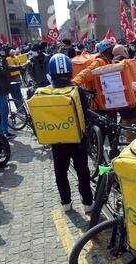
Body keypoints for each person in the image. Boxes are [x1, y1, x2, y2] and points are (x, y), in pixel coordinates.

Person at [47, 54, 93, 213]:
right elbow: (86, 114)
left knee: (60, 172)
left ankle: (66, 203)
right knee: (82, 171)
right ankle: (88, 203)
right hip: (77, 139)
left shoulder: (46, 92)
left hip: (56, 140)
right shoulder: (76, 90)